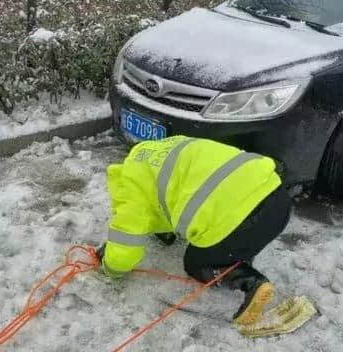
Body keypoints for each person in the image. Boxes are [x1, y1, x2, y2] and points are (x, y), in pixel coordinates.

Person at [96, 135, 292, 325]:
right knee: (226, 239)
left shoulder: (129, 186)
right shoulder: (163, 152)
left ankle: (250, 281)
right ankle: (233, 256)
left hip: (242, 221)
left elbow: (124, 246)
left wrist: (109, 266)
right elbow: (173, 200)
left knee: (195, 263)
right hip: (277, 199)